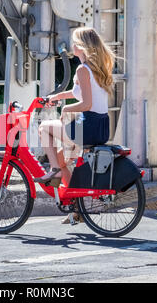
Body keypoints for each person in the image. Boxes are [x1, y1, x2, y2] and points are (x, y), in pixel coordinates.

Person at [34, 27, 115, 223]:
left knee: (44, 128)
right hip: (101, 126)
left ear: (81, 46)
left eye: (74, 42)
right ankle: (77, 208)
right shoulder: (96, 68)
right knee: (63, 160)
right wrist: (58, 96)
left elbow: (86, 103)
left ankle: (52, 171)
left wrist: (66, 111)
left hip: (87, 126)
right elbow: (81, 93)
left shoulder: (82, 69)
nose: (71, 46)